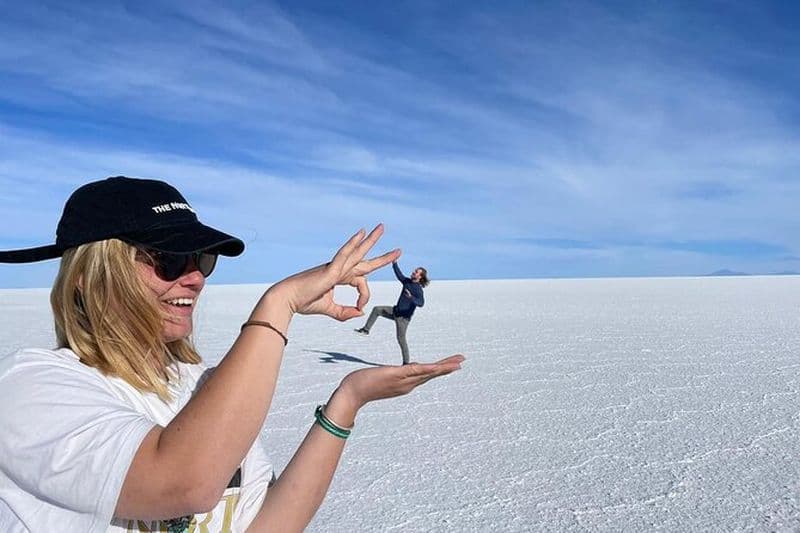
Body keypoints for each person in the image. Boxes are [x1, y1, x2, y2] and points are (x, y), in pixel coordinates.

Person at [0, 176, 464, 532]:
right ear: (90, 275)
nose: (196, 278)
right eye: (168, 259)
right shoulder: (29, 389)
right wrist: (278, 304)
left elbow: (265, 524)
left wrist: (347, 401)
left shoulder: (200, 386)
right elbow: (184, 481)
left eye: (201, 260)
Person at [354, 261, 429, 365]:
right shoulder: (407, 282)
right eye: (415, 270)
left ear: (420, 277)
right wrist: (394, 263)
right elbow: (399, 275)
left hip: (403, 318)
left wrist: (411, 298)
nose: (413, 272)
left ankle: (406, 363)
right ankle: (366, 330)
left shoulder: (418, 289)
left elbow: (421, 303)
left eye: (416, 272)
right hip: (395, 311)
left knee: (401, 340)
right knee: (377, 309)